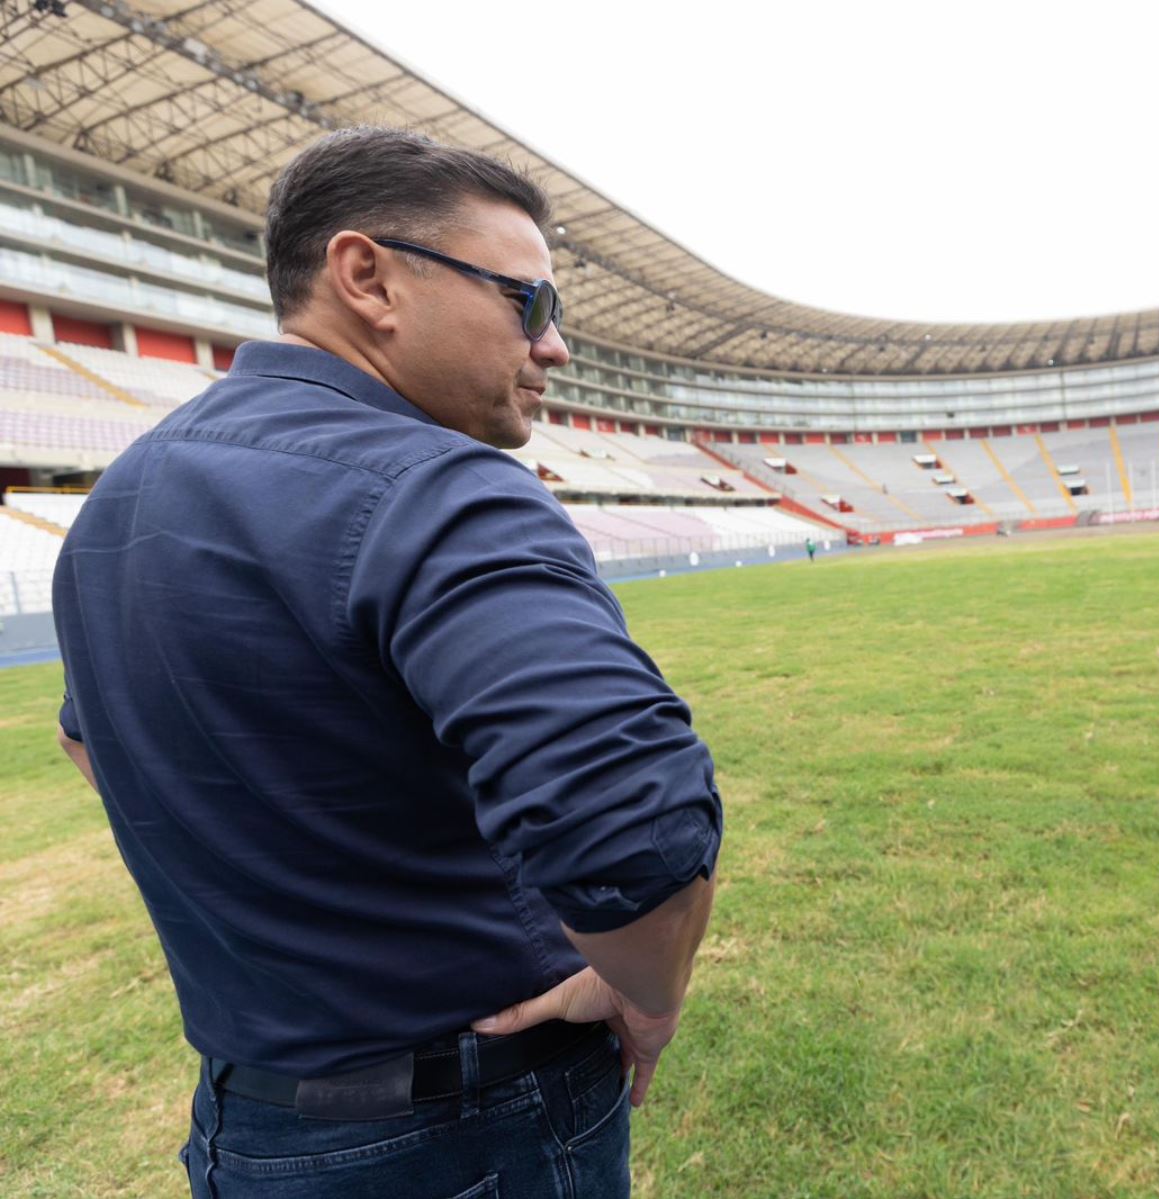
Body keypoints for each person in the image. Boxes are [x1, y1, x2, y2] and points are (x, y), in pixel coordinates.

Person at [52, 127, 721, 1198]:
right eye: (530, 302)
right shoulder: (438, 484)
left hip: (247, 1125)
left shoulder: (117, 503)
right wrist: (647, 987)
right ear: (367, 277)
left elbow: (89, 741)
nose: (556, 348)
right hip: (466, 1126)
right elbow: (630, 834)